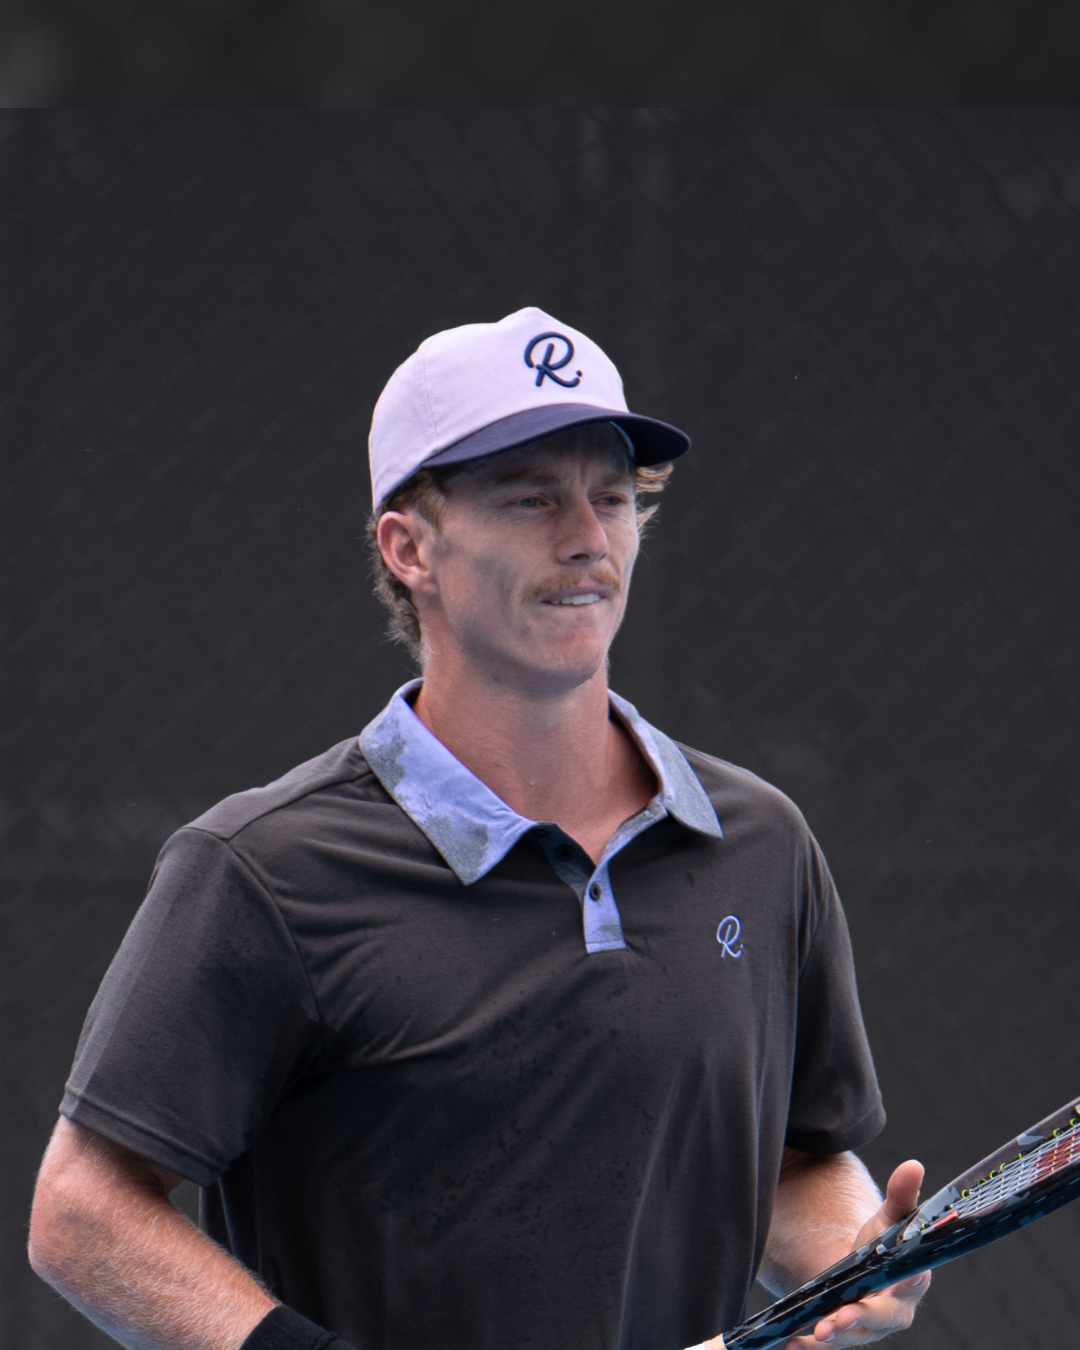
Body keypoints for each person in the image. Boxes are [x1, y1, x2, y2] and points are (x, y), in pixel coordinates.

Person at [29, 307, 929, 1350]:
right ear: (409, 548)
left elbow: (788, 1159)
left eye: (612, 496)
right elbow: (83, 1214)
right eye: (531, 498)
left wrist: (854, 1263)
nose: (587, 538)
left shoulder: (761, 846)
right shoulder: (260, 872)